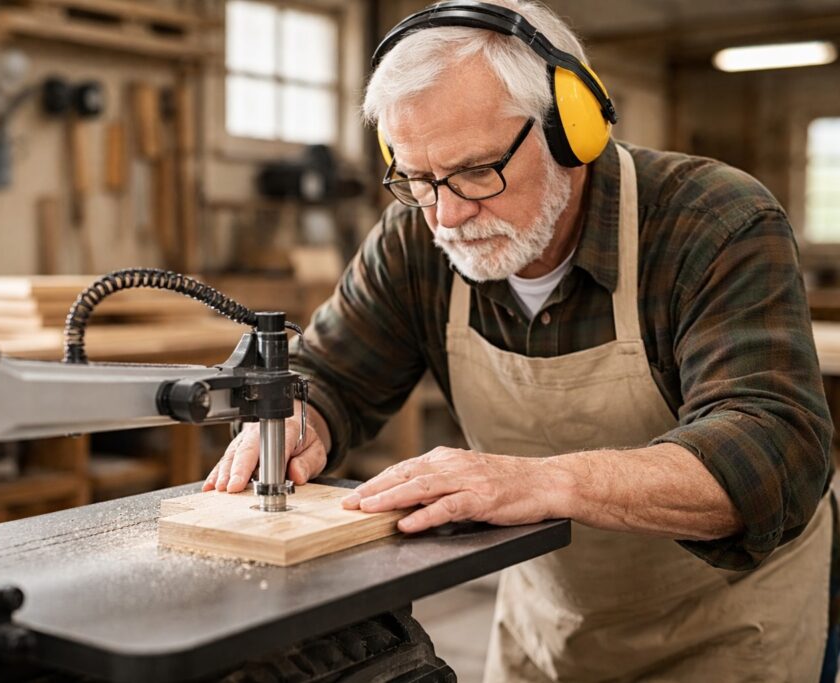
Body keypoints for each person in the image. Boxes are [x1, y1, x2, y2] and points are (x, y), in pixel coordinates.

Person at [205, 1, 837, 680]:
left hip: (729, 629)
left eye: (477, 171)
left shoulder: (713, 222)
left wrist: (543, 479)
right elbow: (329, 372)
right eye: (418, 179)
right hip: (549, 625)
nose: (448, 215)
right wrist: (302, 418)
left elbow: (773, 451)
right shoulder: (417, 240)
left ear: (571, 130)